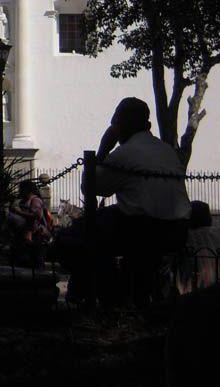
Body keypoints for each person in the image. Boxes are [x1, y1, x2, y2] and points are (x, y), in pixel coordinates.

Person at [57, 97, 191, 305]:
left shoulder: (125, 154)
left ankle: (105, 296)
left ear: (120, 127)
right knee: (96, 226)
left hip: (141, 228)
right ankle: (108, 292)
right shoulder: (166, 151)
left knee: (73, 236)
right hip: (176, 228)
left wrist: (102, 151)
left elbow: (91, 187)